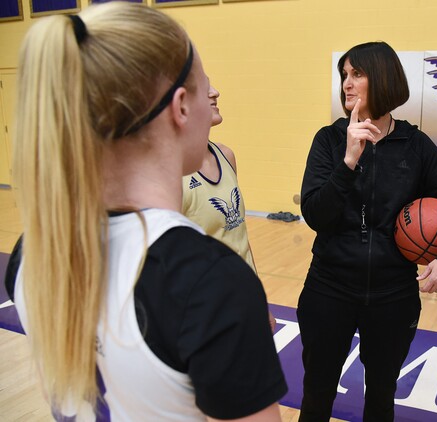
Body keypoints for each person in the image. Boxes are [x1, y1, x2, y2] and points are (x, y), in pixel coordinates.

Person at [5, 2, 286, 420]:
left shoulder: (30, 251)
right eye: (204, 86)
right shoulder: (208, 284)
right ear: (181, 107)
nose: (214, 95)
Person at [298, 41, 437, 421]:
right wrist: (349, 161)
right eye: (343, 75)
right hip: (328, 288)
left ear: (382, 78)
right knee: (317, 393)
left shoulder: (415, 146)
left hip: (392, 295)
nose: (347, 84)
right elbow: (316, 214)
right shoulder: (329, 140)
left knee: (381, 397)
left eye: (357, 74)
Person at [182, 82, 256, 272]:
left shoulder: (226, 154)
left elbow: (240, 236)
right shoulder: (172, 174)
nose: (216, 92)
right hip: (209, 297)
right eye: (204, 87)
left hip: (243, 290)